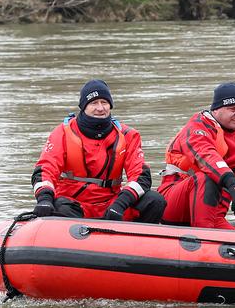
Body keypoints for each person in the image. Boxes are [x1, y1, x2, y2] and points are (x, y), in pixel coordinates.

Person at [30, 80, 166, 222]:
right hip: (73, 204)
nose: (100, 108)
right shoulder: (62, 133)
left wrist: (121, 203)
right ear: (84, 107)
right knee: (59, 207)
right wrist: (44, 199)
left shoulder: (128, 135)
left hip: (113, 204)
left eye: (104, 102)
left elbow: (140, 175)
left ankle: (135, 242)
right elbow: (45, 170)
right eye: (94, 103)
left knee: (154, 200)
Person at [158, 82, 235, 228]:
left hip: (214, 210)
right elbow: (206, 156)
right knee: (207, 176)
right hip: (175, 201)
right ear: (216, 109)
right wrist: (233, 184)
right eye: (233, 109)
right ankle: (206, 234)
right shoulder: (198, 127)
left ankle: (214, 225)